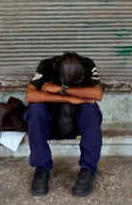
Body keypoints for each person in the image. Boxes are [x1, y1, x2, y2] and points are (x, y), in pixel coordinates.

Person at [24, 52, 104, 197]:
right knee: (35, 108)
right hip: (50, 124)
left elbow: (97, 94)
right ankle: (42, 168)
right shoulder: (47, 66)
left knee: (90, 108)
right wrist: (70, 99)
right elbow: (30, 95)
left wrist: (64, 90)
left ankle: (88, 170)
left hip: (76, 125)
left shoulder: (88, 64)